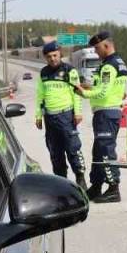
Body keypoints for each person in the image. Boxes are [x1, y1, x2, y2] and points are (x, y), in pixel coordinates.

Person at [75, 31, 127, 203]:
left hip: (106, 112)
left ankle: (114, 188)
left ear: (106, 45)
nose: (96, 52)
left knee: (105, 151)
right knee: (98, 151)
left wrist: (84, 93)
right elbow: (111, 88)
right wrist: (89, 87)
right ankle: (96, 186)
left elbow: (104, 91)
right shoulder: (119, 63)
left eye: (97, 48)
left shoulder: (108, 66)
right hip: (109, 111)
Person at [34, 41, 88, 189]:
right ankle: (62, 184)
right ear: (45, 57)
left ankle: (80, 179)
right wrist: (38, 116)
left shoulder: (70, 71)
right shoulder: (43, 73)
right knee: (55, 153)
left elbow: (76, 94)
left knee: (73, 149)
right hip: (50, 119)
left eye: (55, 55)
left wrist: (78, 113)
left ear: (60, 54)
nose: (52, 59)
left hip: (66, 116)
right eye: (49, 56)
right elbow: (40, 95)